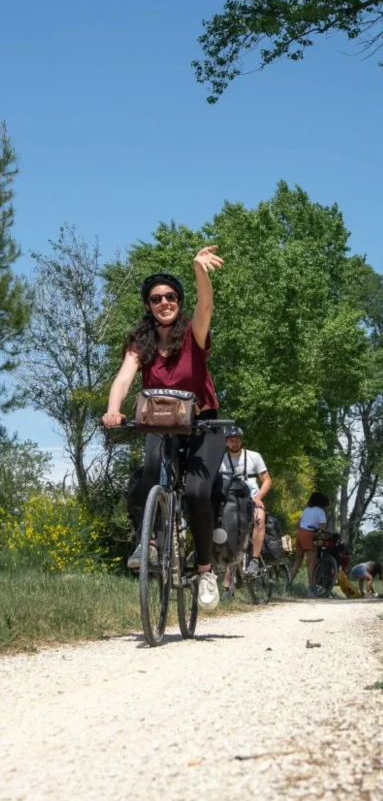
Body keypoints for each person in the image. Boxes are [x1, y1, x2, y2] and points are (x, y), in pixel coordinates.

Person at [102, 246, 226, 613]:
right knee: (146, 477)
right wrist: (113, 409)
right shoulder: (140, 343)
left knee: (196, 492)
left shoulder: (192, 334)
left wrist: (198, 270)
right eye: (156, 298)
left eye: (171, 296)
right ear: (148, 305)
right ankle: (149, 544)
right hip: (160, 422)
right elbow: (124, 378)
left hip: (204, 423)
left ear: (178, 301)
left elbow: (206, 306)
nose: (164, 302)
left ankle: (205, 571)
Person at [218, 426, 272, 579]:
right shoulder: (221, 460)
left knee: (260, 519)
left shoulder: (254, 456)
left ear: (241, 440)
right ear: (226, 442)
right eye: (231, 440)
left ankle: (254, 560)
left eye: (237, 440)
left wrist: (259, 497)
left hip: (251, 498)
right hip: (231, 499)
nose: (235, 443)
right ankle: (226, 563)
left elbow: (267, 480)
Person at [288, 492, 330, 595]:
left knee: (297, 561)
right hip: (310, 535)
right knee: (311, 564)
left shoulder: (306, 510)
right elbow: (322, 528)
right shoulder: (320, 512)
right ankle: (311, 589)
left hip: (300, 534)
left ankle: (288, 584)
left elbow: (298, 523)